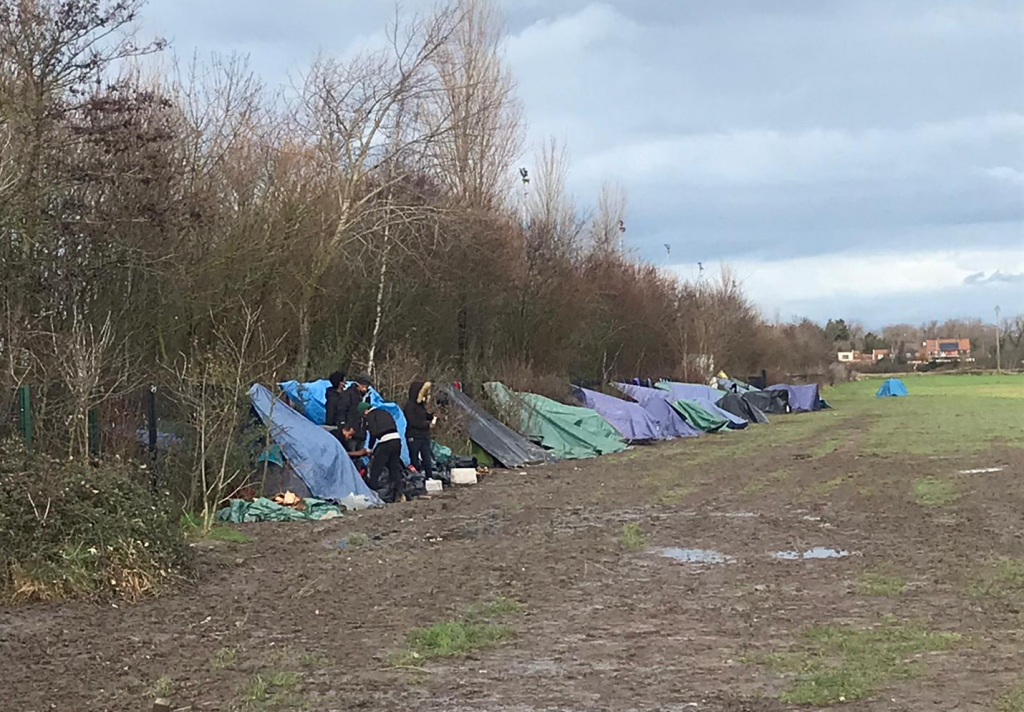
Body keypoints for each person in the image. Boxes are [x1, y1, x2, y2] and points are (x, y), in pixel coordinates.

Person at [359, 401, 404, 503]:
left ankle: (372, 494)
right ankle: (400, 494)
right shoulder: (384, 412)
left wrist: (369, 449)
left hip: (385, 442)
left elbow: (373, 433)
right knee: (394, 468)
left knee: (376, 468)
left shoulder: (371, 416)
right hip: (397, 440)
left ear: (365, 411)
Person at [403, 380, 436, 481]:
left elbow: (422, 416)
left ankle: (429, 477)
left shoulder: (420, 406)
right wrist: (427, 425)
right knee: (414, 459)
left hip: (423, 436)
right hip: (414, 436)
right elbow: (413, 422)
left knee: (427, 458)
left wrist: (431, 416)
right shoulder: (409, 406)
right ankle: (415, 479)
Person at [327, 372, 372, 440]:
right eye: (363, 386)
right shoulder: (347, 395)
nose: (365, 389)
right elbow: (341, 412)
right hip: (349, 432)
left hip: (361, 433)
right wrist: (344, 428)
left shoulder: (367, 396)